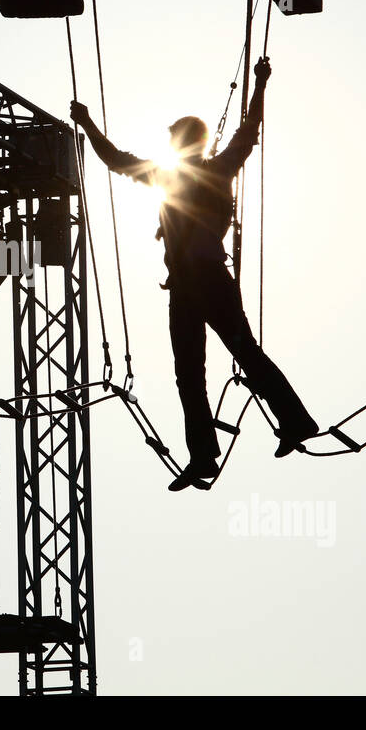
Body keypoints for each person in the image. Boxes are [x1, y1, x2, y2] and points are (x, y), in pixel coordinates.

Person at [70, 57, 318, 491]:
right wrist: (87, 123)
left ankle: (285, 424)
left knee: (228, 360)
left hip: (202, 281)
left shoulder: (198, 172)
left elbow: (246, 132)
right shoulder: (179, 175)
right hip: (189, 286)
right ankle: (208, 452)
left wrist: (260, 84)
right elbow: (117, 159)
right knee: (195, 371)